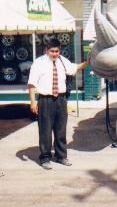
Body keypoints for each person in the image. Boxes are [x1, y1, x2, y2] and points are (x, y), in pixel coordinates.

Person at [28, 38, 90, 170]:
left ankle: (61, 156)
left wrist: (88, 62)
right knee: (45, 130)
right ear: (46, 50)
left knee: (61, 129)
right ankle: (45, 158)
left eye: (57, 51)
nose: (55, 54)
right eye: (52, 51)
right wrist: (33, 101)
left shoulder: (63, 61)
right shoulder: (39, 63)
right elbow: (32, 83)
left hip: (61, 100)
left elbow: (75, 68)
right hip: (45, 100)